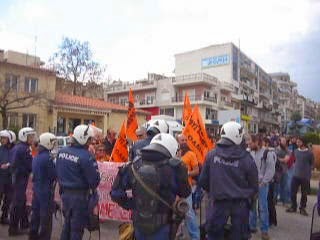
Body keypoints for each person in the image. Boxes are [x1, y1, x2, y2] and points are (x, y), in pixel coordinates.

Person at [111, 133, 191, 240]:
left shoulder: (133, 165)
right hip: (163, 226)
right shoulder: (174, 168)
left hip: (139, 224)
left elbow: (115, 193)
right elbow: (185, 192)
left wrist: (134, 204)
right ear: (171, 149)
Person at [198, 121, 259, 240]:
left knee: (214, 235)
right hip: (239, 208)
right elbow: (254, 186)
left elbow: (203, 181)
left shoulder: (211, 155)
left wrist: (216, 190)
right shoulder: (247, 158)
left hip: (217, 205)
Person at [56, 125, 101, 240]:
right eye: (90, 139)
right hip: (79, 197)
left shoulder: (61, 152)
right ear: (83, 138)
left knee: (67, 225)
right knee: (77, 229)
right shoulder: (87, 156)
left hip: (65, 194)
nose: (91, 142)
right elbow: (94, 181)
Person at [29, 132, 57, 240]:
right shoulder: (48, 158)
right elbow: (54, 174)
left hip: (37, 189)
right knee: (46, 218)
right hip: (46, 191)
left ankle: (33, 235)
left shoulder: (37, 156)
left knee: (35, 215)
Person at [9, 127, 36, 236]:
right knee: (18, 204)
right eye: (30, 136)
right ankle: (13, 228)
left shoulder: (18, 147)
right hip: (20, 178)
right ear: (24, 137)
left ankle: (24, 224)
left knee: (22, 202)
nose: (32, 138)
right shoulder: (24, 149)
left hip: (17, 178)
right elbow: (29, 165)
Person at [249, 135, 275, 240]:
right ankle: (252, 226)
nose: (249, 144)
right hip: (251, 184)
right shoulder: (250, 152)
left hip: (262, 185)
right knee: (252, 206)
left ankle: (264, 231)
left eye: (251, 142)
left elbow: (270, 170)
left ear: (257, 142)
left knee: (263, 207)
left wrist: (263, 182)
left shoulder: (267, 153)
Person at [177, 134, 200, 240]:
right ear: (178, 141)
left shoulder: (191, 154)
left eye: (186, 140)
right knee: (176, 212)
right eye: (182, 140)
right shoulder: (174, 153)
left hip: (187, 188)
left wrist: (187, 174)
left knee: (189, 213)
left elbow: (196, 170)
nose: (184, 141)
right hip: (175, 188)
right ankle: (179, 234)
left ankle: (195, 236)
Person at [286, 136, 314, 216]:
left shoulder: (309, 153)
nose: (297, 143)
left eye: (299, 142)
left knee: (304, 194)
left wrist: (308, 171)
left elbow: (312, 164)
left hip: (305, 177)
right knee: (292, 192)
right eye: (297, 142)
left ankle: (302, 208)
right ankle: (293, 206)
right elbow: (293, 160)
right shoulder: (295, 151)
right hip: (295, 175)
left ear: (303, 143)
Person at [0, 130, 16, 224]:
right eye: (1, 138)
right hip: (1, 177)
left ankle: (4, 217)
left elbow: (15, 160)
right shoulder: (1, 148)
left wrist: (9, 165)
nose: (2, 140)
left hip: (10, 178)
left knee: (8, 199)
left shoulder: (14, 149)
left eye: (4, 138)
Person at [262, 137, 278, 227]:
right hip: (270, 180)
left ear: (267, 143)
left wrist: (265, 180)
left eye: (263, 143)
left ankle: (271, 220)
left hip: (269, 181)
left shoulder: (270, 153)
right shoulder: (271, 152)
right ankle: (272, 220)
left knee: (268, 201)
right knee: (269, 201)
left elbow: (270, 169)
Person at [276, 136, 290, 205]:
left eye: (285, 141)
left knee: (284, 186)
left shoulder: (287, 150)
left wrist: (279, 159)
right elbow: (275, 158)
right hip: (277, 171)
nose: (284, 142)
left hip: (284, 170)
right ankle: (275, 200)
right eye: (283, 141)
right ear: (279, 141)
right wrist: (281, 159)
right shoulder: (276, 149)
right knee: (277, 186)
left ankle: (284, 200)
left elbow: (286, 160)